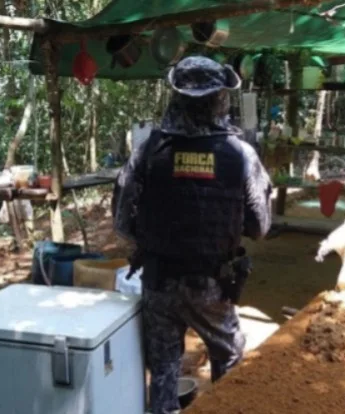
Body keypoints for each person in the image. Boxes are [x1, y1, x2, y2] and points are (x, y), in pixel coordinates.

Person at [112, 56, 272, 414]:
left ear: (176, 98)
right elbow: (260, 227)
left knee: (165, 370)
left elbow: (122, 224)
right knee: (228, 358)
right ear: (220, 99)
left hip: (159, 283)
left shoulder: (148, 151)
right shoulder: (241, 155)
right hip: (213, 287)